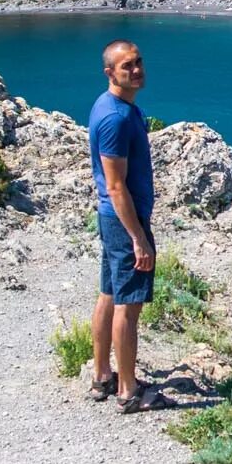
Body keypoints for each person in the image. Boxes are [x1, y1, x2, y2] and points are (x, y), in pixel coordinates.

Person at [87, 38, 157, 413]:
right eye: (126, 65)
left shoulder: (113, 106)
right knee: (128, 308)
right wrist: (139, 238)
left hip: (114, 220)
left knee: (109, 296)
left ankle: (102, 376)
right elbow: (116, 187)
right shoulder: (115, 118)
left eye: (138, 62)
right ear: (110, 72)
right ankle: (128, 390)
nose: (136, 70)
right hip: (123, 220)